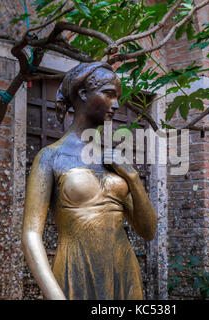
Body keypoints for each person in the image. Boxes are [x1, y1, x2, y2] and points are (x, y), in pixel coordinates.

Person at [22, 62, 157, 300]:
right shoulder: (51, 157)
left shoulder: (113, 162)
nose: (115, 105)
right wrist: (55, 296)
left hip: (123, 271)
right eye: (108, 95)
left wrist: (134, 178)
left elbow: (148, 232)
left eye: (117, 97)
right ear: (83, 94)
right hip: (76, 269)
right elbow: (31, 234)